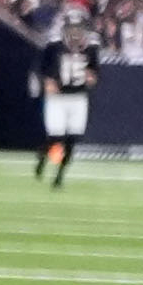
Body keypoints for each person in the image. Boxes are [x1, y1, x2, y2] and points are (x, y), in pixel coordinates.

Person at [36, 20, 98, 186]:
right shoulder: (54, 46)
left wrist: (91, 77)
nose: (75, 34)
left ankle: (59, 176)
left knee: (72, 139)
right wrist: (48, 82)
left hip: (78, 98)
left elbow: (94, 74)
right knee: (55, 137)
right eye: (72, 29)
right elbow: (43, 69)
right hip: (58, 98)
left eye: (78, 30)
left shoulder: (91, 49)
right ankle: (42, 157)